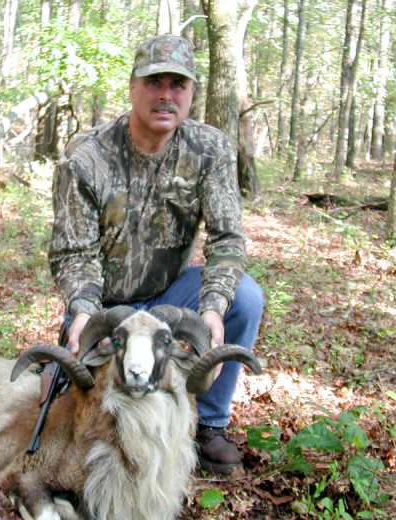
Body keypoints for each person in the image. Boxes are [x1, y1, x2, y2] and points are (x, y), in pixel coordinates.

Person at [48, 33, 264, 475]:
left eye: (178, 85)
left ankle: (208, 425)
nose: (166, 95)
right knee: (81, 394)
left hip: (171, 300)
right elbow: (73, 254)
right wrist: (85, 311)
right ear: (132, 87)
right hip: (107, 307)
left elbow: (227, 241)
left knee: (245, 298)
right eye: (153, 82)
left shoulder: (210, 150)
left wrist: (213, 308)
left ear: (191, 94)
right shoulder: (86, 157)